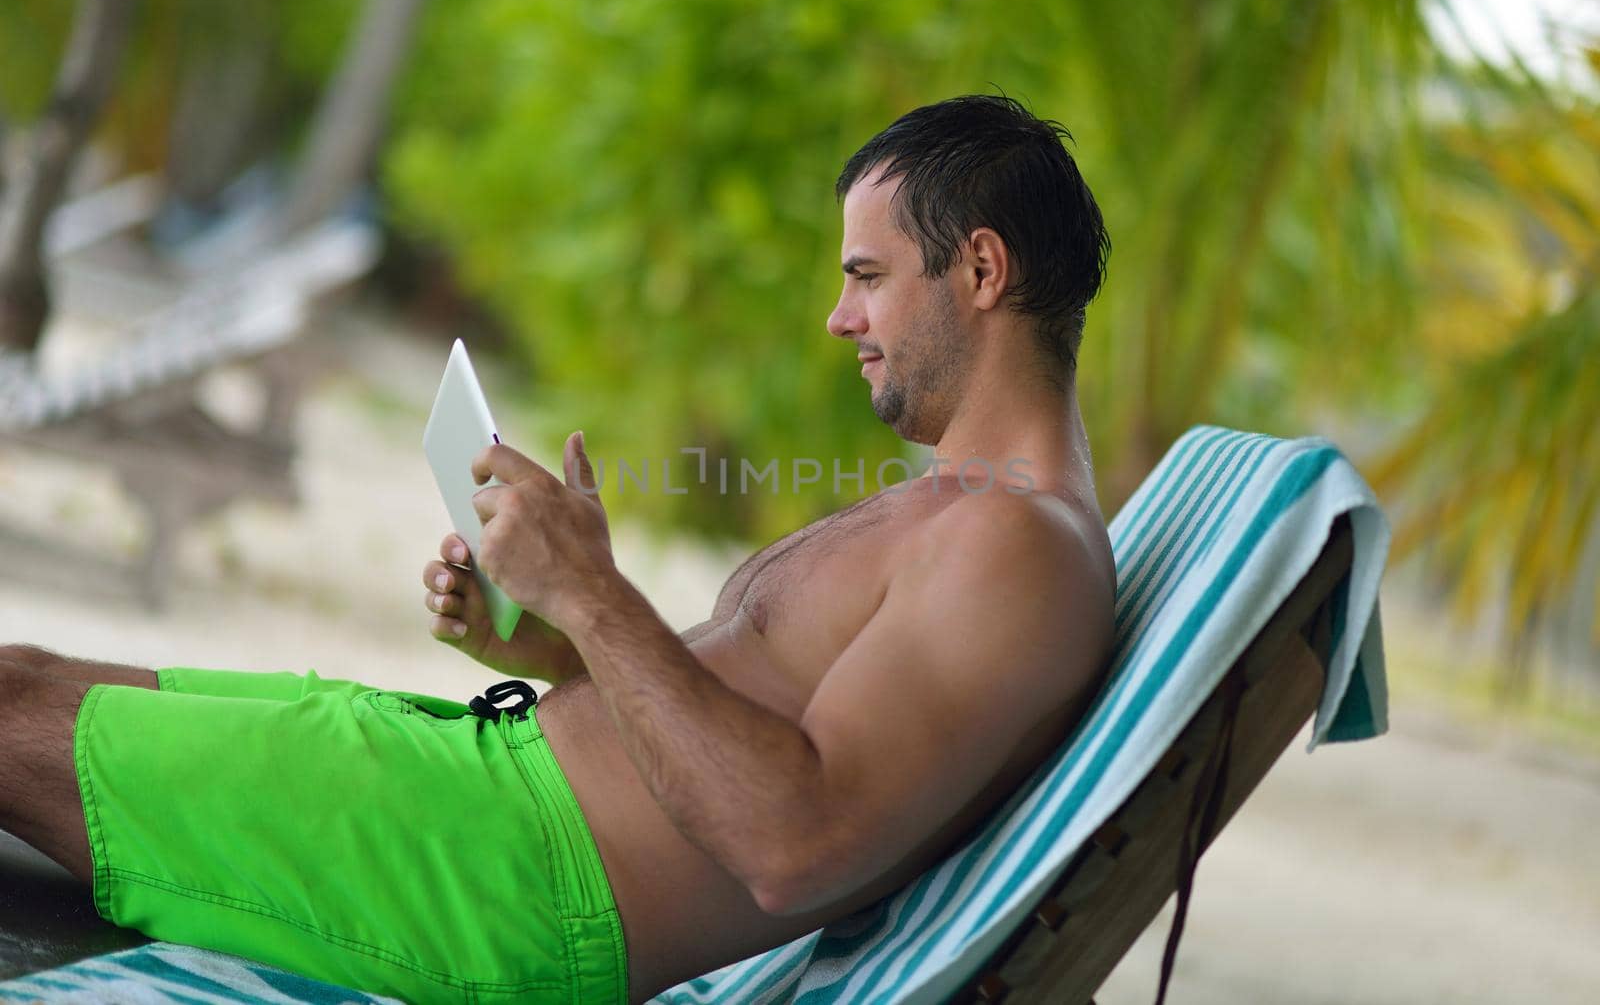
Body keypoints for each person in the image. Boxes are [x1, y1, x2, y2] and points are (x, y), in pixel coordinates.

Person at [0, 94, 1116, 1004]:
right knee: (25, 684)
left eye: (866, 277)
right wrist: (553, 642)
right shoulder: (971, 520)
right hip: (475, 808)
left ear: (979, 271)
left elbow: (794, 844)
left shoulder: (1013, 548)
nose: (838, 318)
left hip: (495, 880)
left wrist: (591, 593)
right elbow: (746, 751)